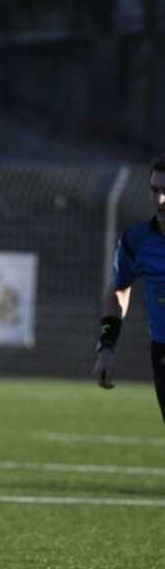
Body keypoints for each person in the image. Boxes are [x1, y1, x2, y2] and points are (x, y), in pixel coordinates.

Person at [92, 153, 165, 424]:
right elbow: (119, 290)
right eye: (155, 190)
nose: (160, 199)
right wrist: (106, 346)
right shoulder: (136, 241)